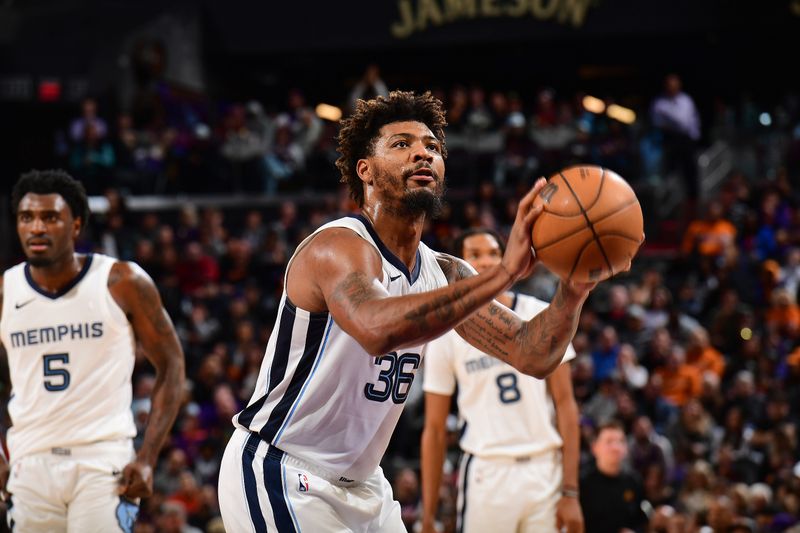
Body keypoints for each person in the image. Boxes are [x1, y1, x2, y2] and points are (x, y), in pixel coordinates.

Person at [217, 90, 603, 532]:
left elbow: (532, 354)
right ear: (366, 170)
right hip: (283, 471)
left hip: (364, 485)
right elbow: (375, 327)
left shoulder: (445, 272)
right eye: (402, 144)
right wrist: (502, 275)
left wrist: (572, 293)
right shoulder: (337, 247)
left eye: (432, 147)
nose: (422, 152)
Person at [0, 170, 185, 531]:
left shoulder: (121, 282)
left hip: (104, 460)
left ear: (76, 225)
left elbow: (172, 362)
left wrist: (147, 457)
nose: (37, 227)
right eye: (27, 218)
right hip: (29, 461)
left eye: (50, 217)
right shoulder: (6, 292)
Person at [421, 227, 584, 533]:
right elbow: (434, 428)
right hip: (487, 472)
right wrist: (428, 514)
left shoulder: (541, 314)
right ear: (460, 264)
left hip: (545, 470)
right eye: (475, 255)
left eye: (494, 253)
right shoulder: (447, 331)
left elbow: (566, 406)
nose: (486, 261)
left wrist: (571, 491)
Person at [580, 420, 648, 533]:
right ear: (594, 447)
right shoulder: (582, 483)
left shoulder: (634, 481)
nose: (616, 447)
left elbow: (641, 520)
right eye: (609, 441)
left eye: (620, 441)